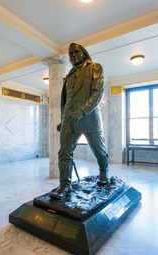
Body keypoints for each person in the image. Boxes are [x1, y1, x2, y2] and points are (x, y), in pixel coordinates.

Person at [50, 43, 109, 199]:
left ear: (84, 53)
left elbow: (97, 93)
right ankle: (64, 185)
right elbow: (65, 101)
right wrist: (63, 120)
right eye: (70, 53)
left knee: (99, 150)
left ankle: (103, 171)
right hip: (69, 120)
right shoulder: (69, 75)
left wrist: (82, 110)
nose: (73, 55)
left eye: (76, 51)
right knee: (64, 152)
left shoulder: (95, 67)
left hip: (90, 119)